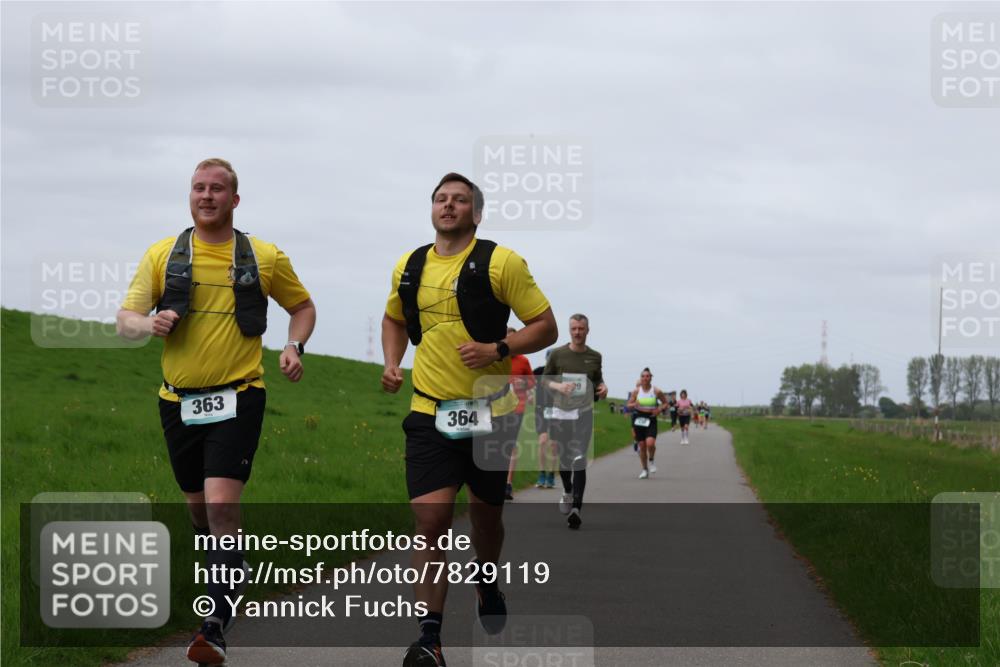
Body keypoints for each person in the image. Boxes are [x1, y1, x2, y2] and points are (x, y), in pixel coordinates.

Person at [116, 158, 316, 665]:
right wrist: (148, 325)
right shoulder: (163, 254)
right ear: (190, 196)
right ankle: (231, 568)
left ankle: (215, 626)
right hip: (177, 401)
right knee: (199, 511)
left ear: (235, 199)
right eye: (198, 188)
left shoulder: (265, 256)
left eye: (217, 189)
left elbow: (303, 307)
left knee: (223, 505)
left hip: (239, 395)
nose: (206, 196)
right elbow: (124, 320)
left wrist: (294, 346)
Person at [381, 172, 557, 667]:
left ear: (476, 213)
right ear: (432, 208)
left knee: (486, 521)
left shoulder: (501, 262)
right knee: (431, 521)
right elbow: (394, 318)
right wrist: (392, 362)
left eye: (460, 200)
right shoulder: (409, 265)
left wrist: (498, 348)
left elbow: (546, 326)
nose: (449, 206)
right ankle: (429, 638)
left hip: (490, 414)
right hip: (428, 411)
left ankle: (485, 576)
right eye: (441, 199)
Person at [542, 314, 609, 530]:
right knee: (564, 459)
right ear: (569, 330)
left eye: (581, 328)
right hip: (561, 413)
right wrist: (559, 387)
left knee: (579, 458)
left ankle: (576, 509)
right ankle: (568, 490)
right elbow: (544, 380)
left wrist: (603, 388)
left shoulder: (595, 356)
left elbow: (597, 379)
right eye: (574, 328)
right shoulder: (558, 354)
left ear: (588, 330)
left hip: (584, 412)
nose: (578, 332)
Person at [505, 326, 536, 500]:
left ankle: (508, 484)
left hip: (517, 408)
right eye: (508, 339)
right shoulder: (496, 359)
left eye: (514, 339)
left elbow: (532, 383)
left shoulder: (523, 361)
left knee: (511, 445)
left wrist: (521, 383)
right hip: (496, 408)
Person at [627, 368, 670, 479]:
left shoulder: (656, 391)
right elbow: (629, 405)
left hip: (651, 418)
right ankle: (644, 470)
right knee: (642, 446)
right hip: (639, 418)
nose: (645, 378)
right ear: (640, 378)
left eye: (647, 376)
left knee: (650, 444)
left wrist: (659, 410)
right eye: (643, 376)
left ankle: (651, 461)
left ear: (651, 378)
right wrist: (634, 404)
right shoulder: (636, 391)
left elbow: (665, 403)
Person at [533, 361, 557, 489]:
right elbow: (528, 381)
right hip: (540, 410)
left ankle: (551, 475)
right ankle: (542, 474)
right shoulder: (538, 371)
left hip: (556, 410)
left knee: (553, 444)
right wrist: (529, 394)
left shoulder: (560, 373)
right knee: (542, 441)